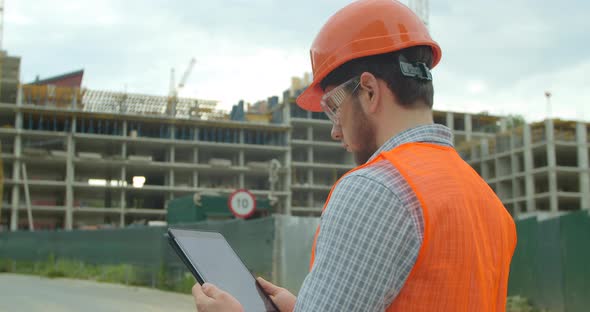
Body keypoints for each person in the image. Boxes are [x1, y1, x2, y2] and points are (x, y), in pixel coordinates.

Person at [192, 0, 517, 311]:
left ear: (370, 90)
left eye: (334, 107)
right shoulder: (486, 200)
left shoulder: (378, 187)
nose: (335, 131)